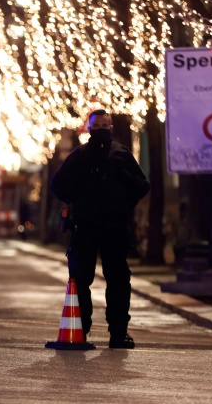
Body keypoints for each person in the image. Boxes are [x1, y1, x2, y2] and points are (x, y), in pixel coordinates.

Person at [50, 109, 150, 349]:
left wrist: (123, 194)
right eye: (96, 126)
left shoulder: (118, 155)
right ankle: (83, 330)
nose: (100, 129)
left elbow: (141, 186)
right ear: (88, 128)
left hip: (112, 227)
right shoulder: (81, 155)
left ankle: (117, 332)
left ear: (111, 126)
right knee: (84, 280)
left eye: (104, 125)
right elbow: (59, 186)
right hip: (86, 227)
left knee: (116, 280)